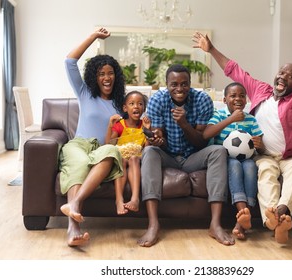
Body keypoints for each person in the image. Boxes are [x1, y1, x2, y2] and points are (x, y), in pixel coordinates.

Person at [193, 31, 292, 244]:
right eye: (282, 72)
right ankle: (277, 221)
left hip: (290, 156)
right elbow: (235, 71)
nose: (283, 77)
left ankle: (280, 212)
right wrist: (212, 50)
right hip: (263, 155)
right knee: (265, 173)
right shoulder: (260, 90)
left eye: (290, 76)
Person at [138, 64, 235, 247]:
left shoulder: (202, 100)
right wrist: (158, 139)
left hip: (193, 156)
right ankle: (153, 224)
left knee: (219, 151)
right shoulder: (158, 99)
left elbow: (200, 142)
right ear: (166, 85)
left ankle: (215, 224)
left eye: (184, 84)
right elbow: (160, 136)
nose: (179, 89)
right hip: (167, 155)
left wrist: (184, 123)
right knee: (150, 151)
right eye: (174, 84)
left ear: (190, 84)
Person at [59, 27, 126, 247]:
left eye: (110, 73)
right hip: (79, 145)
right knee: (79, 163)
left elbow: (121, 138)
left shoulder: (121, 104)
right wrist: (93, 36)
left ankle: (75, 203)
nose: (107, 78)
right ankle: (74, 229)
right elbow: (70, 61)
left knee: (112, 151)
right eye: (101, 73)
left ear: (116, 76)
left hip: (101, 148)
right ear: (94, 77)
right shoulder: (85, 93)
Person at [203, 82, 264, 240]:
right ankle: (243, 213)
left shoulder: (250, 119)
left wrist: (260, 145)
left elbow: (260, 147)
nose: (238, 99)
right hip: (226, 158)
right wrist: (231, 119)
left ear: (246, 100)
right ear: (224, 100)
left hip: (247, 158)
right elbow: (207, 133)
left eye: (242, 96)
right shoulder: (219, 115)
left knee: (251, 167)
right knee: (235, 165)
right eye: (233, 95)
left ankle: (242, 220)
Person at [105, 91, 151, 215]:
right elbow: (110, 145)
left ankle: (135, 199)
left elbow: (147, 149)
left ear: (144, 108)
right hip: (122, 158)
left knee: (133, 159)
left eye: (140, 104)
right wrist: (110, 126)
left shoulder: (144, 125)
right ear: (125, 108)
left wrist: (147, 130)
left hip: (138, 158)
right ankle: (119, 200)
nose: (136, 106)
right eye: (132, 104)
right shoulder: (120, 125)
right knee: (123, 160)